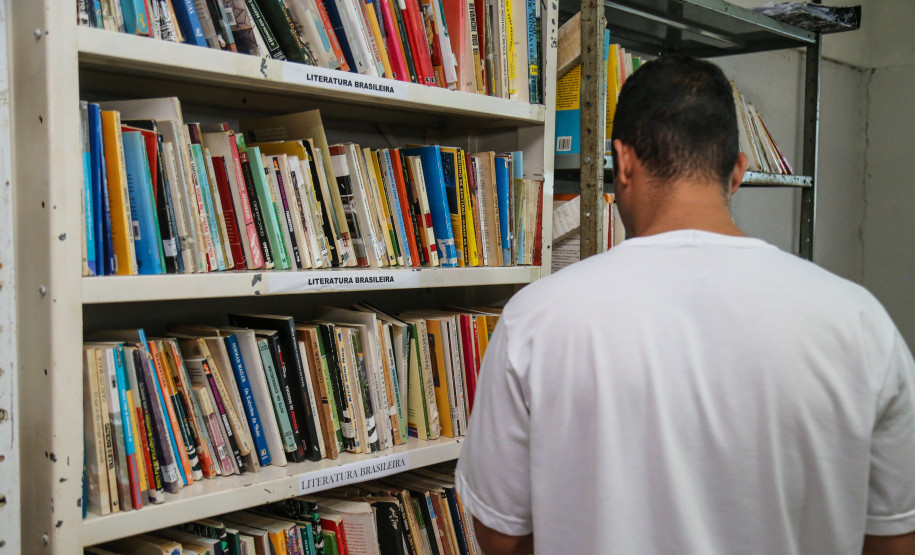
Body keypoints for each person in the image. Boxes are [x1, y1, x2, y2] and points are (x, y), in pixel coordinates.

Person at [454, 53, 915, 554]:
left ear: (622, 161)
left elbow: (500, 537)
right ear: (737, 171)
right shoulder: (860, 320)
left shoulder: (535, 318)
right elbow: (894, 537)